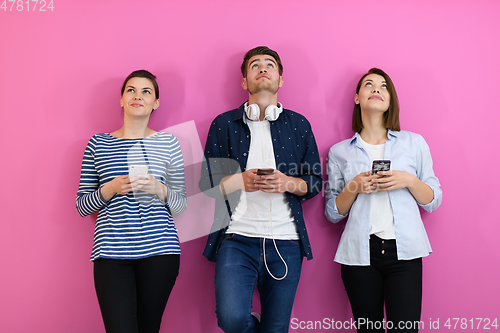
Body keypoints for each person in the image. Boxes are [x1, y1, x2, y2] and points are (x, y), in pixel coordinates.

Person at [199, 46, 322, 333]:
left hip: (286, 241)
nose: (263, 69)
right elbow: (207, 183)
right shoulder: (223, 124)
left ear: (280, 79)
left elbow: (314, 181)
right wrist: (239, 180)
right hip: (236, 239)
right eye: (255, 65)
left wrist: (286, 183)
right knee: (230, 319)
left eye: (270, 65)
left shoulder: (299, 124)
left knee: (276, 329)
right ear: (245, 81)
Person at [325, 68, 442, 332]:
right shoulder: (339, 152)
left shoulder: (414, 143)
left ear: (390, 99)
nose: (376, 89)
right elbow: (333, 212)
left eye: (383, 86)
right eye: (369, 84)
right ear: (357, 98)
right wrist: (354, 186)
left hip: (405, 254)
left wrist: (409, 181)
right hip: (359, 255)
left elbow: (433, 200)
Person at [76, 70, 187, 333]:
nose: (138, 96)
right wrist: (111, 188)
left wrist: (159, 189)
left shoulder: (169, 143)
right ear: (122, 100)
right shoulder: (98, 143)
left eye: (146, 92)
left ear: (155, 103)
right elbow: (82, 206)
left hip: (160, 252)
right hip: (111, 254)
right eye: (131, 90)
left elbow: (181, 205)